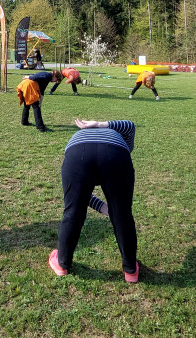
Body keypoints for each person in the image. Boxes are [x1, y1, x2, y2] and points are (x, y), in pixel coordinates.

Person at [49, 118, 140, 283]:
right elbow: (130, 125)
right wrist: (107, 208)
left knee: (72, 212)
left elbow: (78, 197)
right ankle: (130, 271)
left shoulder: (82, 140)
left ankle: (62, 264)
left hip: (78, 152)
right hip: (116, 155)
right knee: (123, 215)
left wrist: (98, 124)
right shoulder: (121, 142)